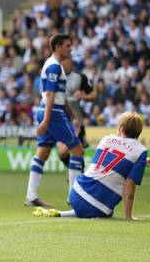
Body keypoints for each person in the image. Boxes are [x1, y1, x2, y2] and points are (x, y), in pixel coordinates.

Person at [32, 112, 150, 219]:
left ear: (121, 128)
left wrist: (141, 161)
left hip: (76, 193)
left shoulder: (106, 139)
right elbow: (130, 183)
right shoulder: (140, 151)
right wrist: (128, 216)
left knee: (89, 202)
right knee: (106, 211)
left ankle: (61, 214)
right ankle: (69, 213)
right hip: (100, 206)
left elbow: (114, 157)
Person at [24, 34, 84, 207]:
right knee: (78, 150)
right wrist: (47, 120)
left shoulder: (55, 66)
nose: (70, 49)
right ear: (58, 47)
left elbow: (60, 95)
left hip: (49, 111)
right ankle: (74, 197)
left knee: (43, 152)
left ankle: (31, 196)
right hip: (53, 113)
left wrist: (73, 116)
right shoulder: (54, 67)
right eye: (67, 45)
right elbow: (50, 95)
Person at [57, 57, 95, 201]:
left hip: (76, 121)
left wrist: (84, 96)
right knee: (62, 152)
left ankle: (77, 184)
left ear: (70, 63)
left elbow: (93, 95)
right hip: (60, 120)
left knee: (77, 151)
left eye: (65, 62)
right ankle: (77, 173)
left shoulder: (80, 77)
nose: (63, 64)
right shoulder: (56, 78)